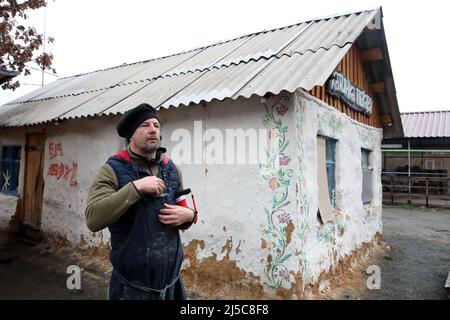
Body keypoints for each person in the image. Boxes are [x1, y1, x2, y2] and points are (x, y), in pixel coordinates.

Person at [85, 103, 197, 300]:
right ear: (131, 135)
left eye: (156, 125)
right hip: (131, 288)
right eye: (145, 125)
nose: (153, 129)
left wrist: (189, 216)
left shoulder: (171, 169)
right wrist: (136, 188)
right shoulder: (112, 170)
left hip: (172, 284)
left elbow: (183, 211)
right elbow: (93, 219)